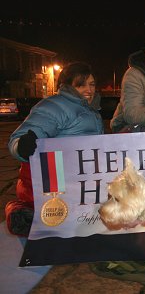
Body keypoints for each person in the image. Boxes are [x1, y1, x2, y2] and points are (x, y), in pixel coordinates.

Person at [6, 62, 104, 236]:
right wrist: (22, 146)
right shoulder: (55, 105)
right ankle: (20, 211)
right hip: (53, 181)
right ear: (67, 86)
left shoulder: (91, 110)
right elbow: (18, 139)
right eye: (81, 85)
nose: (89, 90)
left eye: (92, 84)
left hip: (80, 179)